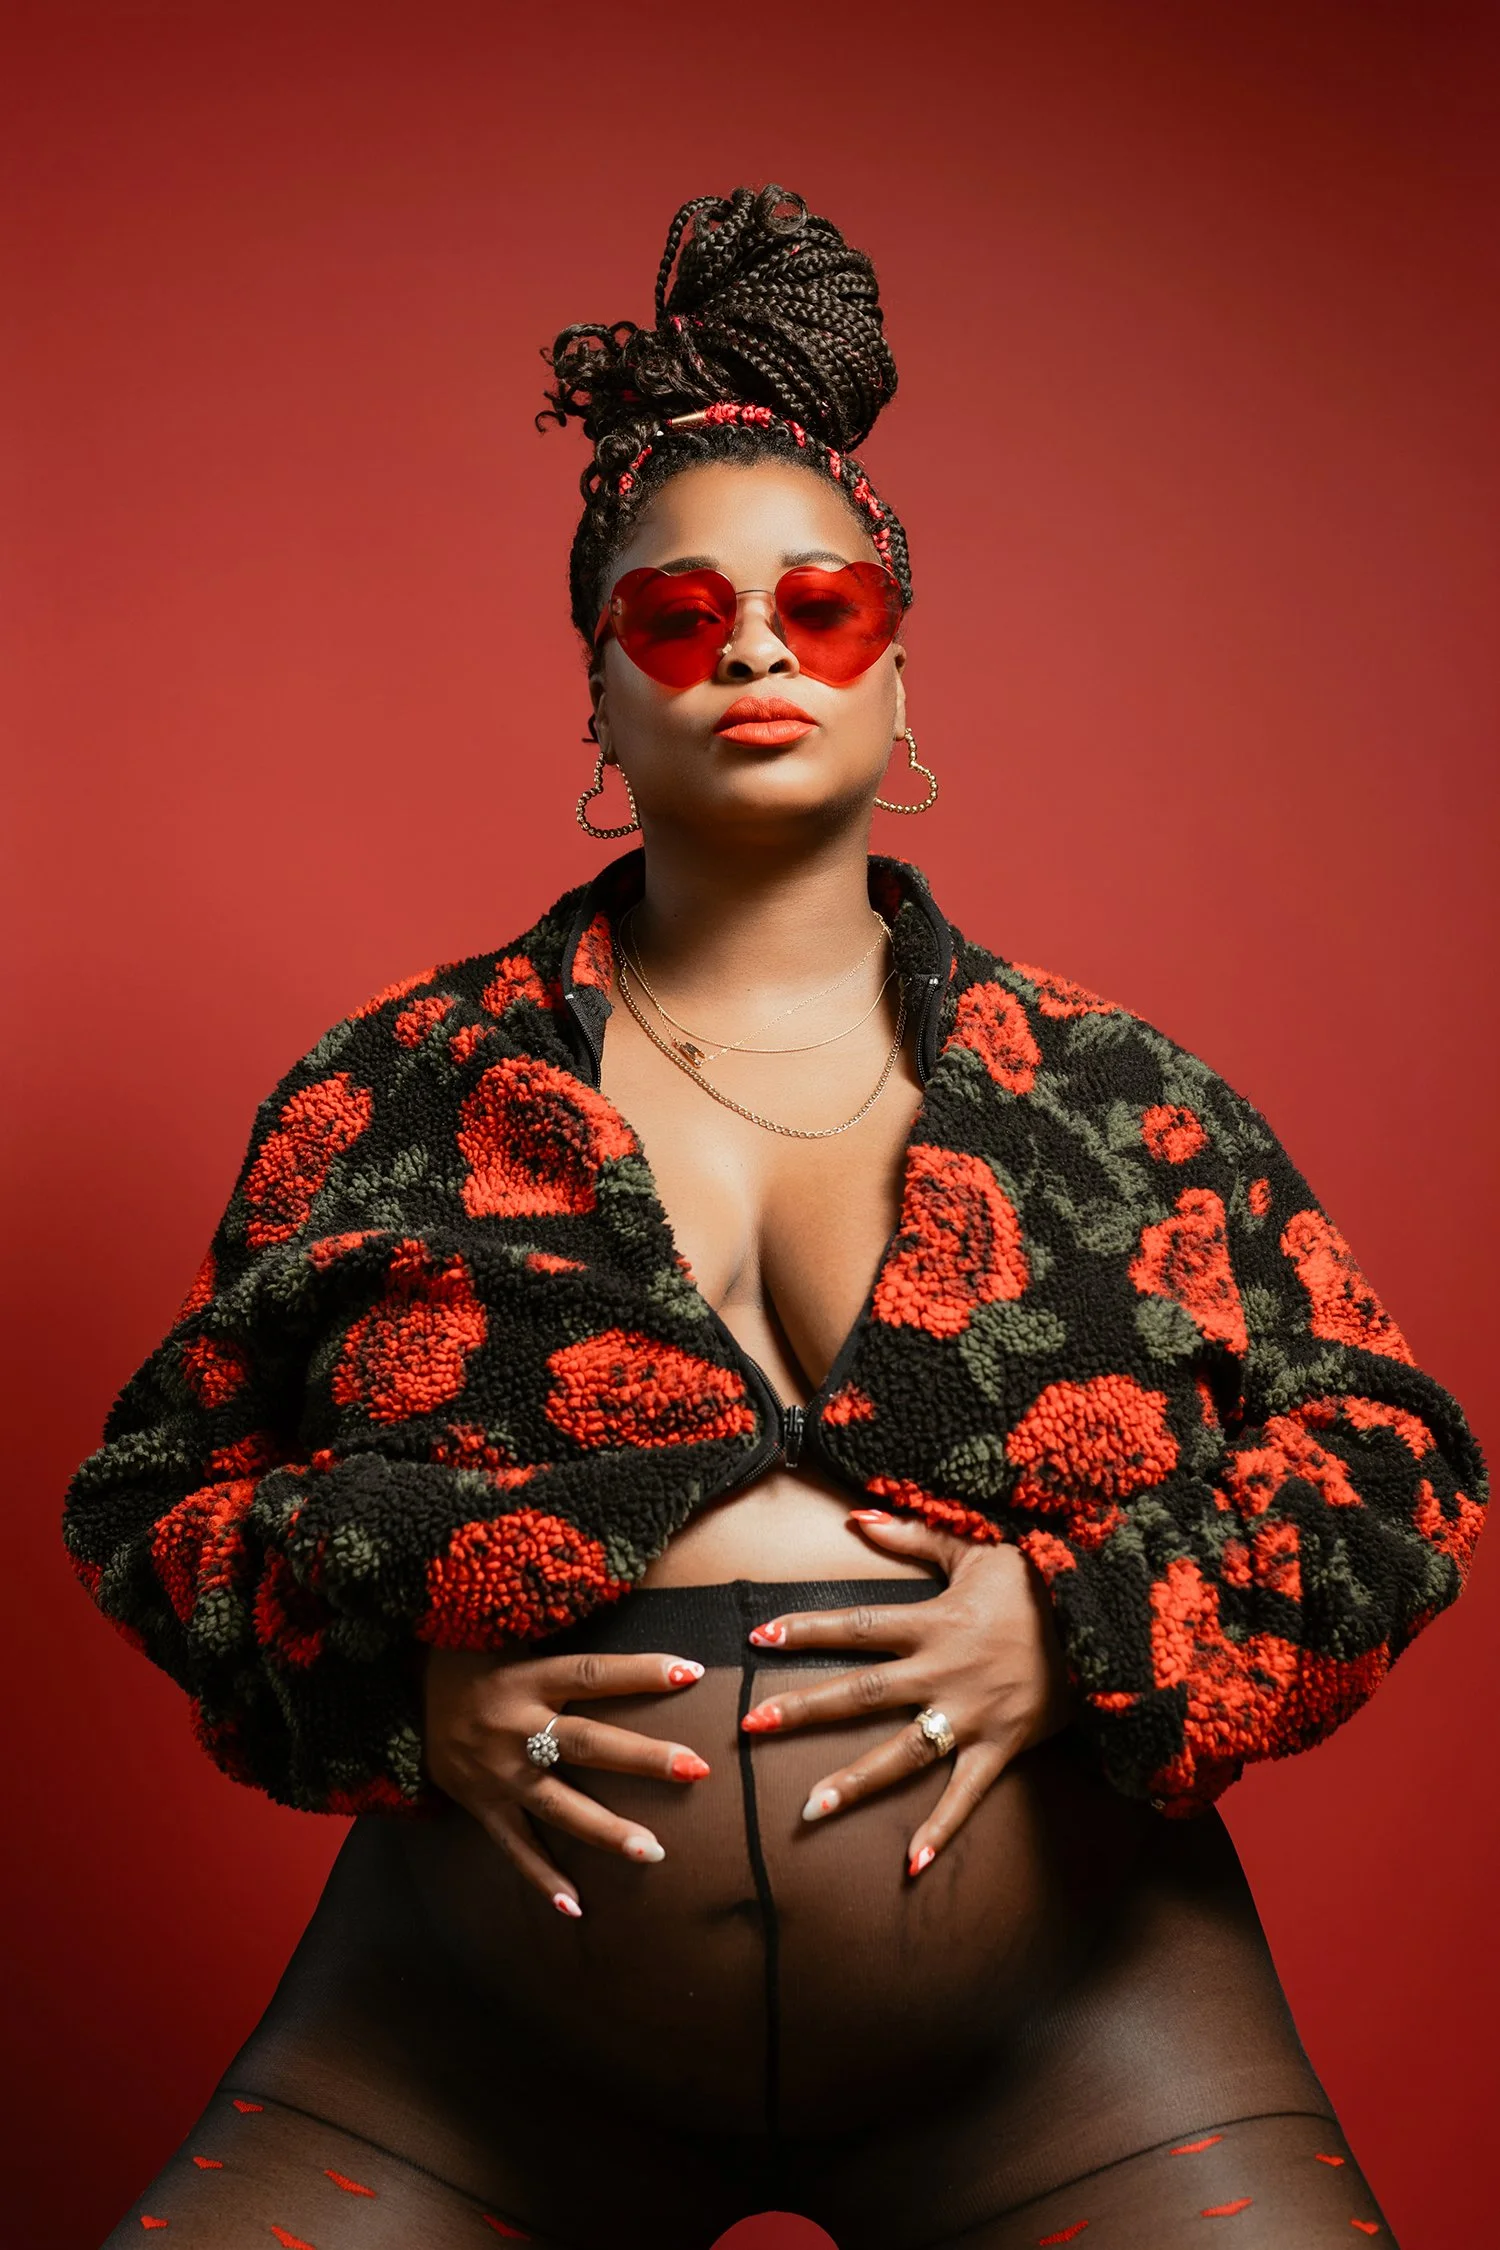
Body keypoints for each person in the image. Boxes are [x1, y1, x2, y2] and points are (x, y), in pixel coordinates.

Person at [65, 185, 1486, 2250]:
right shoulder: (391, 1092)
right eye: (675, 614)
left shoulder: (1122, 1099)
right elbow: (157, 1493)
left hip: (1073, 2040)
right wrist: (398, 1692)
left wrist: (1088, 1624)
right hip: (469, 2052)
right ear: (602, 696)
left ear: (900, 690)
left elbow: (1394, 1466)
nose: (750, 646)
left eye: (821, 609)